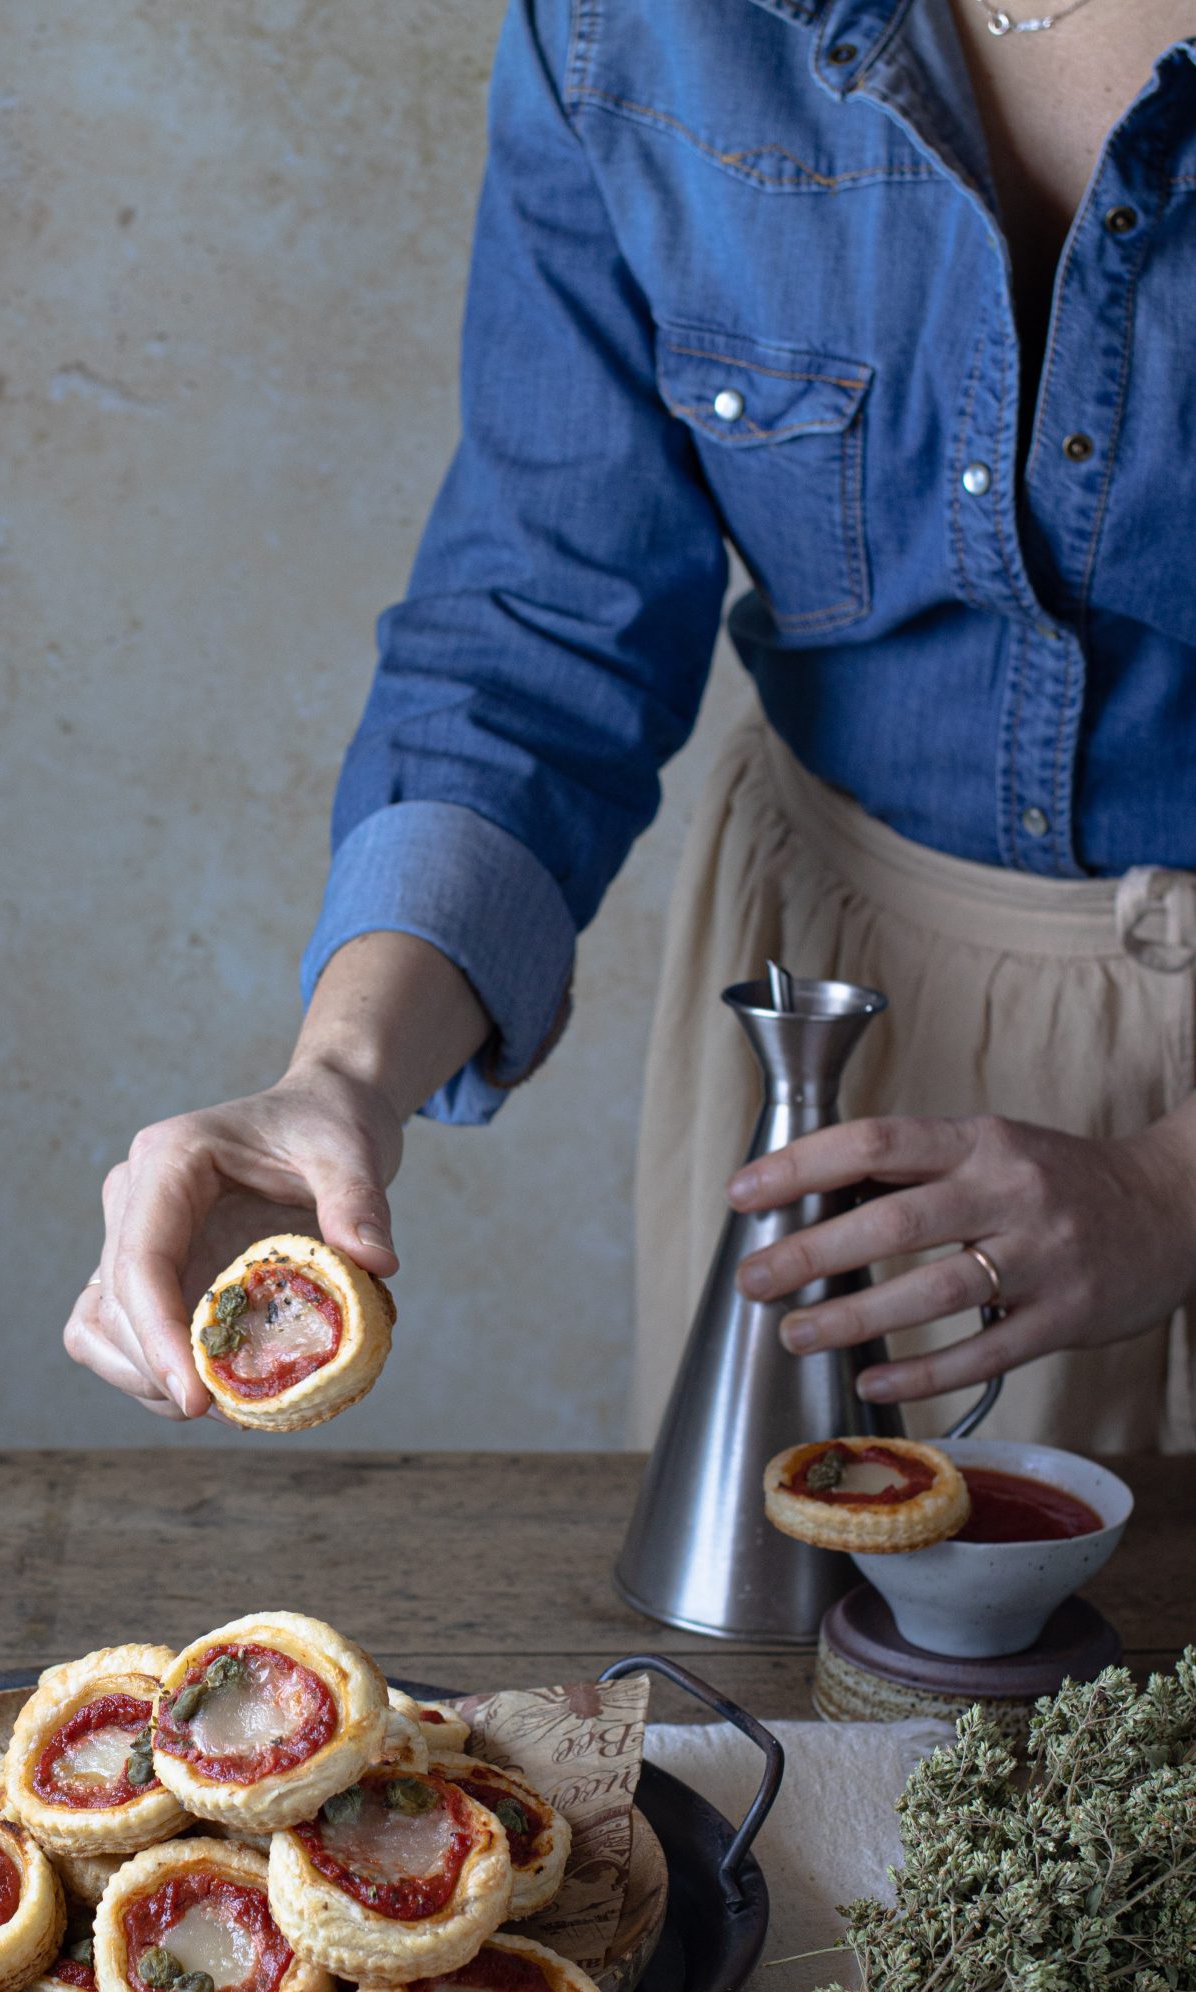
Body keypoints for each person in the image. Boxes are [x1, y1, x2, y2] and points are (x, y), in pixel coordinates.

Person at [67, 0, 1196, 1454]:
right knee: (790, 1667)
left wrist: (1168, 1193)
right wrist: (341, 1079)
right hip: (837, 1057)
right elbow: (543, 626)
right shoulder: (633, 25)